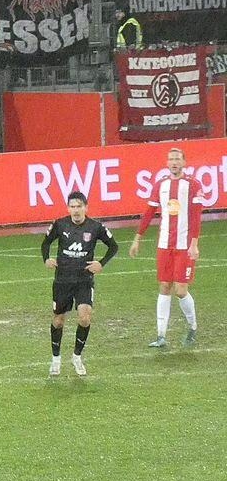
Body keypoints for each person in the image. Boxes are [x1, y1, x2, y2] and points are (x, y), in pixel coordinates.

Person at [129, 148, 204, 348]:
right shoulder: (160, 185)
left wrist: (194, 244)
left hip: (184, 246)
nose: (174, 162)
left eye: (177, 159)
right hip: (164, 245)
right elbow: (148, 212)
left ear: (184, 162)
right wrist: (138, 238)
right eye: (171, 159)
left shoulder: (193, 185)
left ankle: (192, 326)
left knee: (180, 290)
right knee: (164, 286)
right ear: (166, 163)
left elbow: (196, 216)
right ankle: (161, 335)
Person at [40, 191, 119, 377]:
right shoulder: (60, 224)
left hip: (84, 280)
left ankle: (77, 356)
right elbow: (45, 243)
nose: (76, 210)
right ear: (68, 208)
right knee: (58, 320)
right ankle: (56, 359)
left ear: (86, 207)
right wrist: (46, 259)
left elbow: (113, 246)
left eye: (79, 206)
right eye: (72, 207)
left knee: (84, 318)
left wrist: (101, 263)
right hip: (62, 280)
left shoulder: (95, 227)